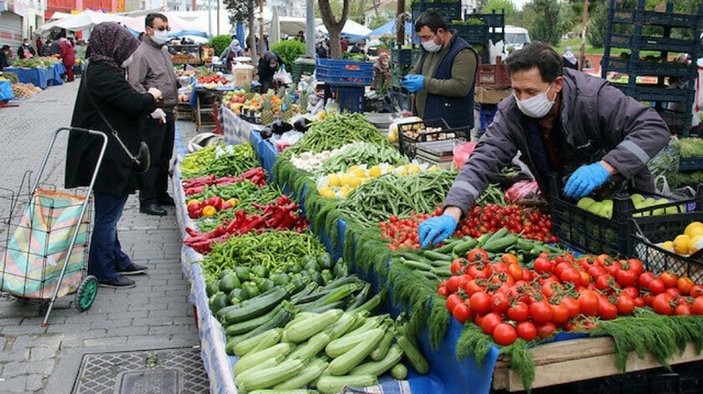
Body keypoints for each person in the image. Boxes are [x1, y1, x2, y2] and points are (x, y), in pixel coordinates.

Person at [416, 42, 671, 247]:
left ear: (557, 84)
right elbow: (484, 159)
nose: (523, 99)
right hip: (568, 211)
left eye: (531, 92)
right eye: (516, 90)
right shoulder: (512, 113)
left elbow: (653, 127)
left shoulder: (593, 98)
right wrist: (453, 211)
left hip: (625, 204)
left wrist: (606, 166)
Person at [65, 22, 163, 288]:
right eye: (127, 48)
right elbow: (130, 101)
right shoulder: (102, 74)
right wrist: (151, 97)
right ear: (113, 46)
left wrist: (146, 108)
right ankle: (102, 271)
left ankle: (116, 258)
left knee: (112, 212)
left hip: (109, 152)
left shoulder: (103, 70)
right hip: (105, 155)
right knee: (107, 216)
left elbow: (120, 103)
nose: (130, 54)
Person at [127, 13, 179, 217]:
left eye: (166, 27)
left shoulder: (163, 51)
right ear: (149, 30)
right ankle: (147, 200)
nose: (164, 31)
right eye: (160, 28)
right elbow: (135, 84)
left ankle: (161, 192)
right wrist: (150, 107)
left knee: (165, 155)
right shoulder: (140, 53)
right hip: (153, 112)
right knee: (152, 157)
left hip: (168, 110)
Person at [401, 11, 478, 129]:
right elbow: (417, 70)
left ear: (440, 32)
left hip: (451, 126)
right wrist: (410, 78)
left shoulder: (463, 53)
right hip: (427, 123)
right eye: (421, 38)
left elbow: (461, 86)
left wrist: (425, 83)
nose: (424, 42)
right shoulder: (429, 49)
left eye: (426, 37)